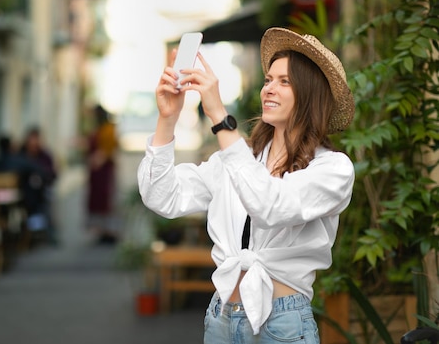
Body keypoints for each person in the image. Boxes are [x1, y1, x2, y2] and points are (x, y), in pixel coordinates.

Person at [137, 27, 355, 343]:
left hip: (282, 323)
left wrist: (218, 114)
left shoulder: (333, 169)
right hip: (222, 318)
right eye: (268, 80)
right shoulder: (238, 159)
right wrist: (167, 118)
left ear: (310, 95)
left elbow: (270, 206)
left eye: (284, 82)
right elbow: (162, 196)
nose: (269, 89)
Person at [86, 104, 120, 244]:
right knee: (99, 201)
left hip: (104, 171)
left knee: (107, 200)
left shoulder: (108, 129)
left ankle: (109, 231)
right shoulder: (99, 129)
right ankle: (102, 230)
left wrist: (98, 159)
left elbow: (109, 149)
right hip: (97, 172)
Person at [19, 126, 58, 242]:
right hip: (26, 190)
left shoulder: (45, 156)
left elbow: (53, 174)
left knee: (47, 198)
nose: (34, 143)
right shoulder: (22, 154)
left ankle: (48, 231)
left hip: (43, 188)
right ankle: (33, 229)